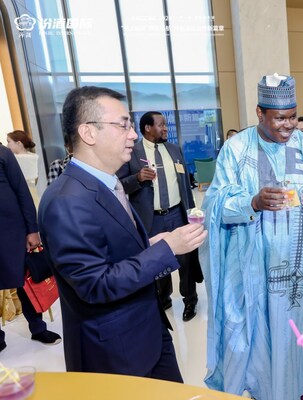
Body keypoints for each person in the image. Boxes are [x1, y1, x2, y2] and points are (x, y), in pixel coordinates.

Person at [38, 86, 206, 381]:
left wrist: (151, 243)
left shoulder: (106, 184)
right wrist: (165, 250)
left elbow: (112, 250)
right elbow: (95, 284)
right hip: (115, 353)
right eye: (123, 125)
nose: (132, 135)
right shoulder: (67, 200)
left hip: (147, 331)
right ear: (89, 133)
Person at [199, 74, 303, 400]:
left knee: (301, 337)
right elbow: (215, 205)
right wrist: (252, 202)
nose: (288, 125)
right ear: (260, 113)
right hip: (253, 271)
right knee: (257, 343)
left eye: (293, 116)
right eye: (279, 118)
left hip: (302, 272)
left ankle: (301, 390)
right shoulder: (237, 149)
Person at [117, 111, 201, 322]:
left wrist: (191, 212)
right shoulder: (133, 152)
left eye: (165, 124)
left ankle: (190, 299)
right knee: (158, 259)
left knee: (186, 260)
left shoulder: (174, 149)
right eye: (161, 125)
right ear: (147, 128)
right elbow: (119, 185)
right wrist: (137, 178)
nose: (165, 128)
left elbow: (185, 183)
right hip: (151, 218)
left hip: (177, 214)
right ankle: (164, 298)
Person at [0, 143, 62, 351]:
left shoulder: (3, 153)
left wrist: (32, 230)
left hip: (12, 232)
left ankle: (38, 328)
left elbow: (22, 192)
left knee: (25, 281)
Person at [6, 130, 40, 206]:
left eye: (9, 142)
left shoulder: (15, 160)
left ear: (18, 143)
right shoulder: (33, 158)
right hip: (33, 195)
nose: (7, 145)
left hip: (21, 197)